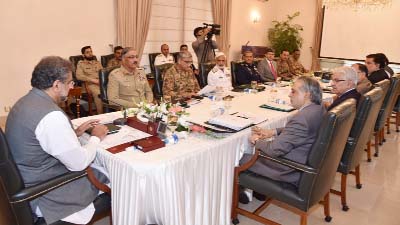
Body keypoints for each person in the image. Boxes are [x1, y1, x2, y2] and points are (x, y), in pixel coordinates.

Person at [5, 56, 109, 224]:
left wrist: (75, 132)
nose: (72, 86)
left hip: (27, 178)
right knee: (111, 173)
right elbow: (79, 163)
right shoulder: (51, 116)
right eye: (70, 83)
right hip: (45, 193)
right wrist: (96, 137)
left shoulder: (24, 102)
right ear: (56, 85)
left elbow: (39, 140)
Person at [241, 76, 325, 188]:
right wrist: (273, 132)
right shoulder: (319, 108)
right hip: (303, 161)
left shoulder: (302, 119)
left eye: (293, 91)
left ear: (307, 95)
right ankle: (258, 191)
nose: (289, 95)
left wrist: (256, 141)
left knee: (240, 157)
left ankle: (245, 193)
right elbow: (303, 131)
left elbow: (274, 150)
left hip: (288, 170)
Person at [76, 46, 104, 114]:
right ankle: (101, 114)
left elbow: (103, 73)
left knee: (113, 91)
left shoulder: (97, 62)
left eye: (91, 51)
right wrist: (93, 80)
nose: (90, 53)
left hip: (101, 83)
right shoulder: (81, 64)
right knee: (99, 94)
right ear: (83, 55)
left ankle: (113, 112)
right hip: (90, 85)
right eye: (87, 52)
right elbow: (78, 76)